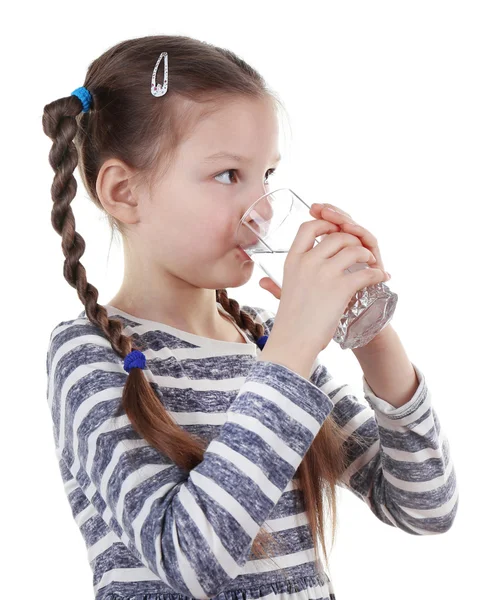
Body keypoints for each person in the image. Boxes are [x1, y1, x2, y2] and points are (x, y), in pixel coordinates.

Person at [43, 35, 458, 600]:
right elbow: (188, 562)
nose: (262, 207)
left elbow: (426, 507)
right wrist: (293, 346)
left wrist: (368, 329)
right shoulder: (89, 353)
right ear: (124, 192)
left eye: (266, 175)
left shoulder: (265, 339)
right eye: (227, 176)